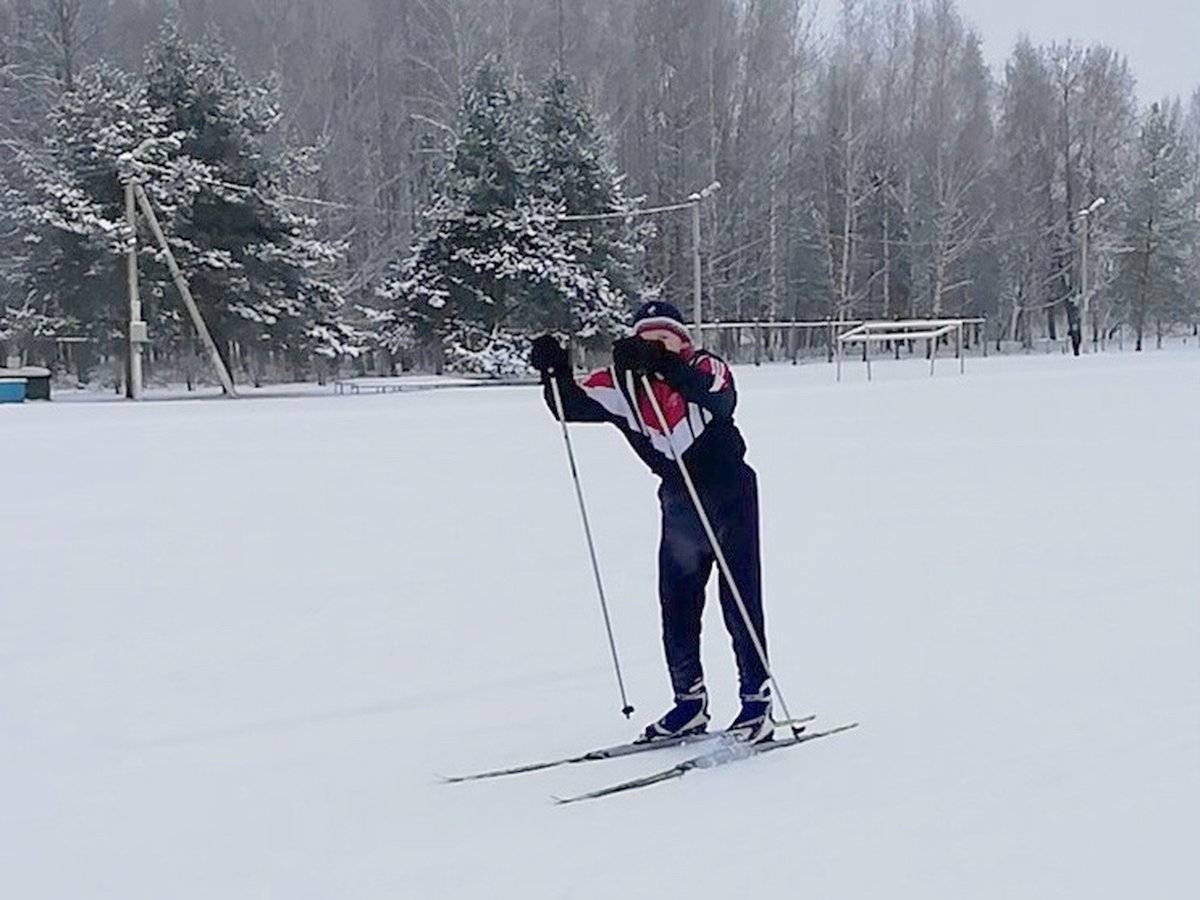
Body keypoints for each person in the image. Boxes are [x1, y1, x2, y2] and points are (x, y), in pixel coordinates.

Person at [530, 301, 775, 744]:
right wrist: (554, 370)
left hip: (728, 493)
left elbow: (720, 399)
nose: (654, 346)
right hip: (678, 501)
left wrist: (664, 366)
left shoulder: (703, 366)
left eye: (664, 339)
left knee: (738, 598)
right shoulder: (623, 385)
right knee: (677, 604)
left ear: (681, 342)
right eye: (646, 339)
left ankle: (757, 704)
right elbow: (569, 405)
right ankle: (689, 704)